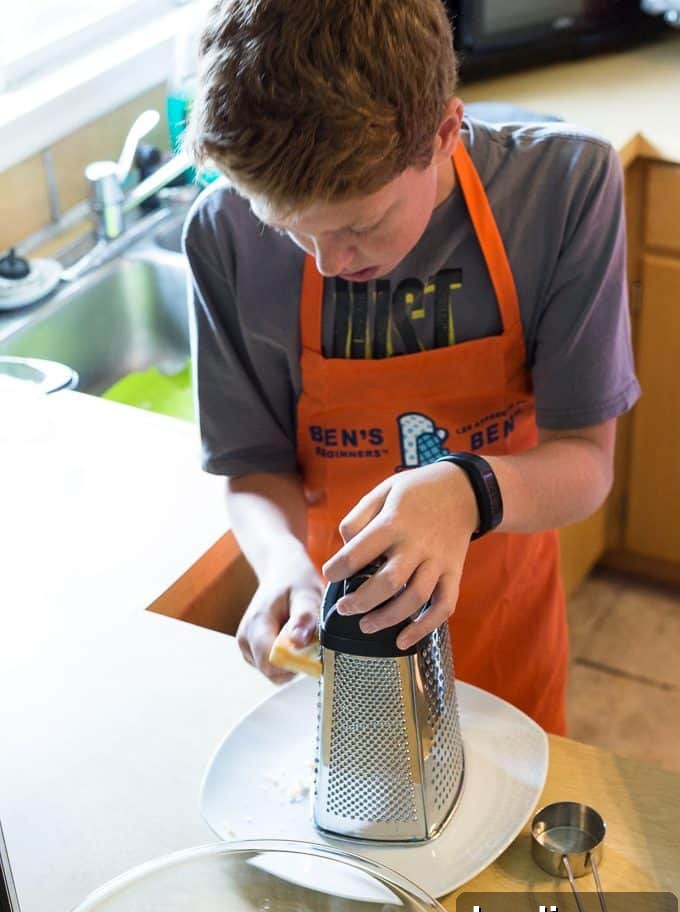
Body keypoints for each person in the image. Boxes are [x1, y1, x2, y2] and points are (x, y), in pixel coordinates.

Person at [182, 0, 640, 735]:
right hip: (347, 651)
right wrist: (281, 564)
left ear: (446, 133)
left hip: (505, 636)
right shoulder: (225, 235)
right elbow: (253, 464)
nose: (331, 262)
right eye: (292, 231)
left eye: (360, 224)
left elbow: (586, 460)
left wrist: (466, 491)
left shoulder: (565, 188)